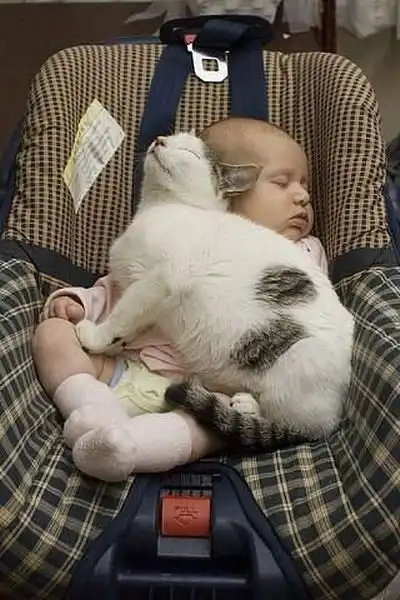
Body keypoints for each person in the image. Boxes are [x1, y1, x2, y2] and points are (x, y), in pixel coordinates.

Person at [32, 117, 328, 482]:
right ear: (229, 188)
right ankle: (91, 410)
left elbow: (313, 319)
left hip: (207, 393)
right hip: (127, 369)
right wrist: (78, 303)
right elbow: (114, 290)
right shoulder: (187, 228)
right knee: (52, 334)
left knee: (211, 425)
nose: (303, 196)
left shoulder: (301, 251)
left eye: (305, 186)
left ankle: (125, 449)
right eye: (282, 182)